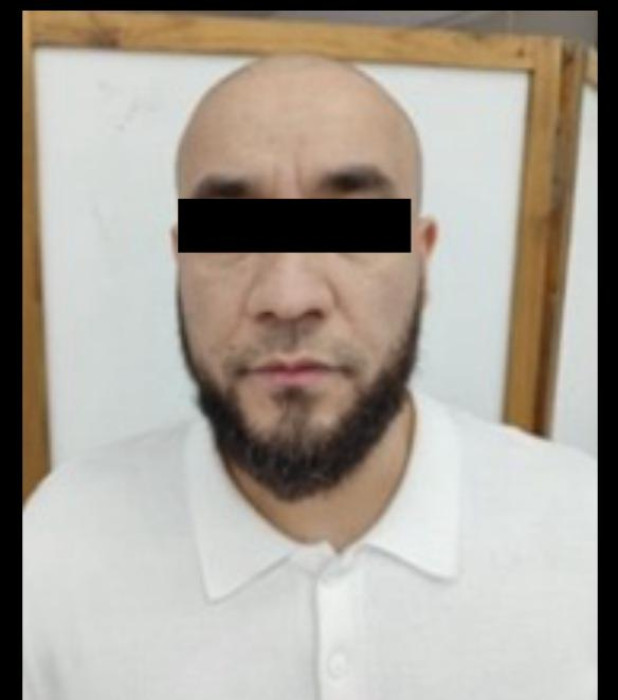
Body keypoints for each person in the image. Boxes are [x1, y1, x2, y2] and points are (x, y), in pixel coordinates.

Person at [23, 53, 597, 699]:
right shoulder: (57, 550)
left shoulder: (580, 529)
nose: (289, 296)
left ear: (422, 259)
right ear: (180, 261)